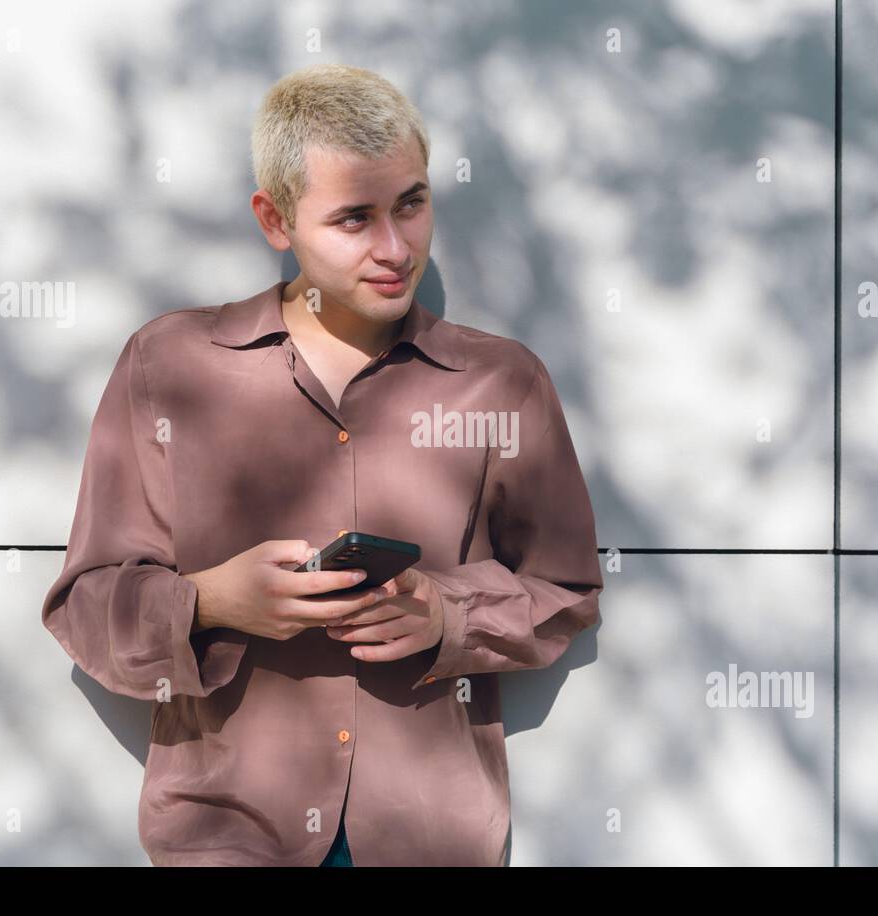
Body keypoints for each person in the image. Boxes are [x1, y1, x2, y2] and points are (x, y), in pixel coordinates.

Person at [41, 63, 602, 867]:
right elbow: (85, 608)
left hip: (426, 838)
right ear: (276, 220)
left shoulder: (502, 381)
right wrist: (209, 602)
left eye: (412, 202)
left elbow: (568, 587)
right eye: (354, 219)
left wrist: (448, 616)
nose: (396, 247)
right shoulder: (167, 366)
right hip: (227, 836)